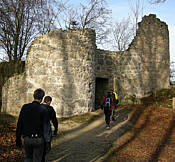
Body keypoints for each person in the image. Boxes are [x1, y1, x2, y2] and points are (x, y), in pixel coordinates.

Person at [16, 88, 52, 162]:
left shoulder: (25, 107)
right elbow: (46, 127)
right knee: (38, 159)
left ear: (33, 96)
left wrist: (18, 137)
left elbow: (19, 123)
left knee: (28, 158)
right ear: (42, 98)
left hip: (27, 138)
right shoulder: (43, 109)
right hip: (39, 139)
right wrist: (48, 141)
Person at [41, 96, 58, 162]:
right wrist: (56, 129)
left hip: (37, 131)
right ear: (49, 101)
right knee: (46, 148)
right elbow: (54, 120)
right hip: (46, 131)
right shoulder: (50, 108)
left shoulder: (38, 107)